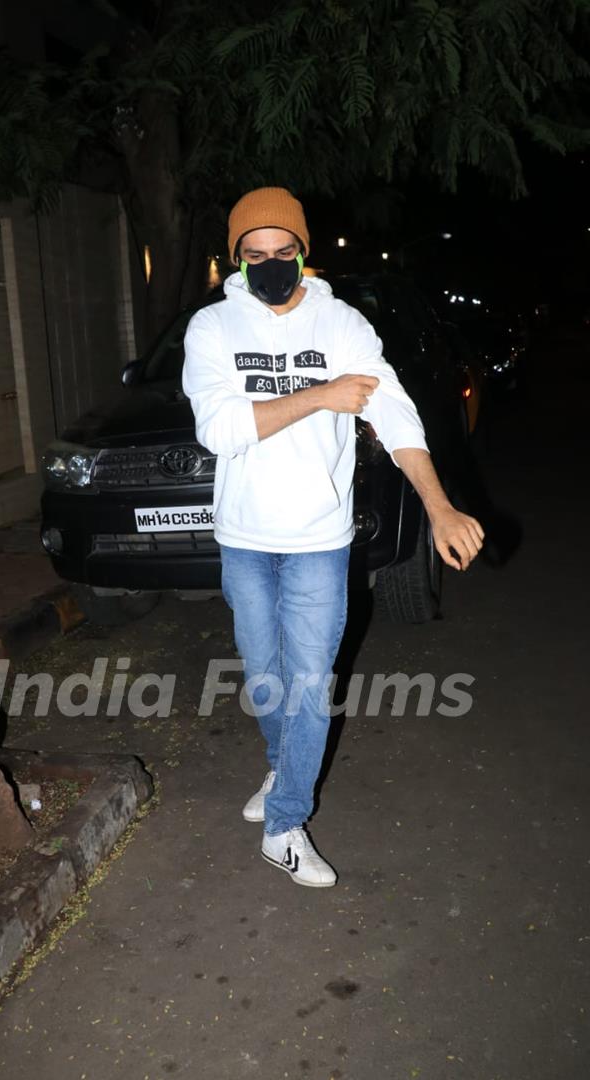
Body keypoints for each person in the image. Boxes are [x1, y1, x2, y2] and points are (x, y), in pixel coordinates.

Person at [182, 187, 484, 888]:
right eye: (253, 255)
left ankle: (286, 822)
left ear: (303, 252)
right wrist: (321, 395)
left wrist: (438, 507)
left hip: (319, 540)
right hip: (244, 538)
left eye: (282, 252)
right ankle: (282, 763)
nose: (270, 265)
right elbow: (220, 430)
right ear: (236, 259)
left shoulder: (343, 325)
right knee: (266, 677)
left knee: (310, 687)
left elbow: (398, 416)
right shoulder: (213, 330)